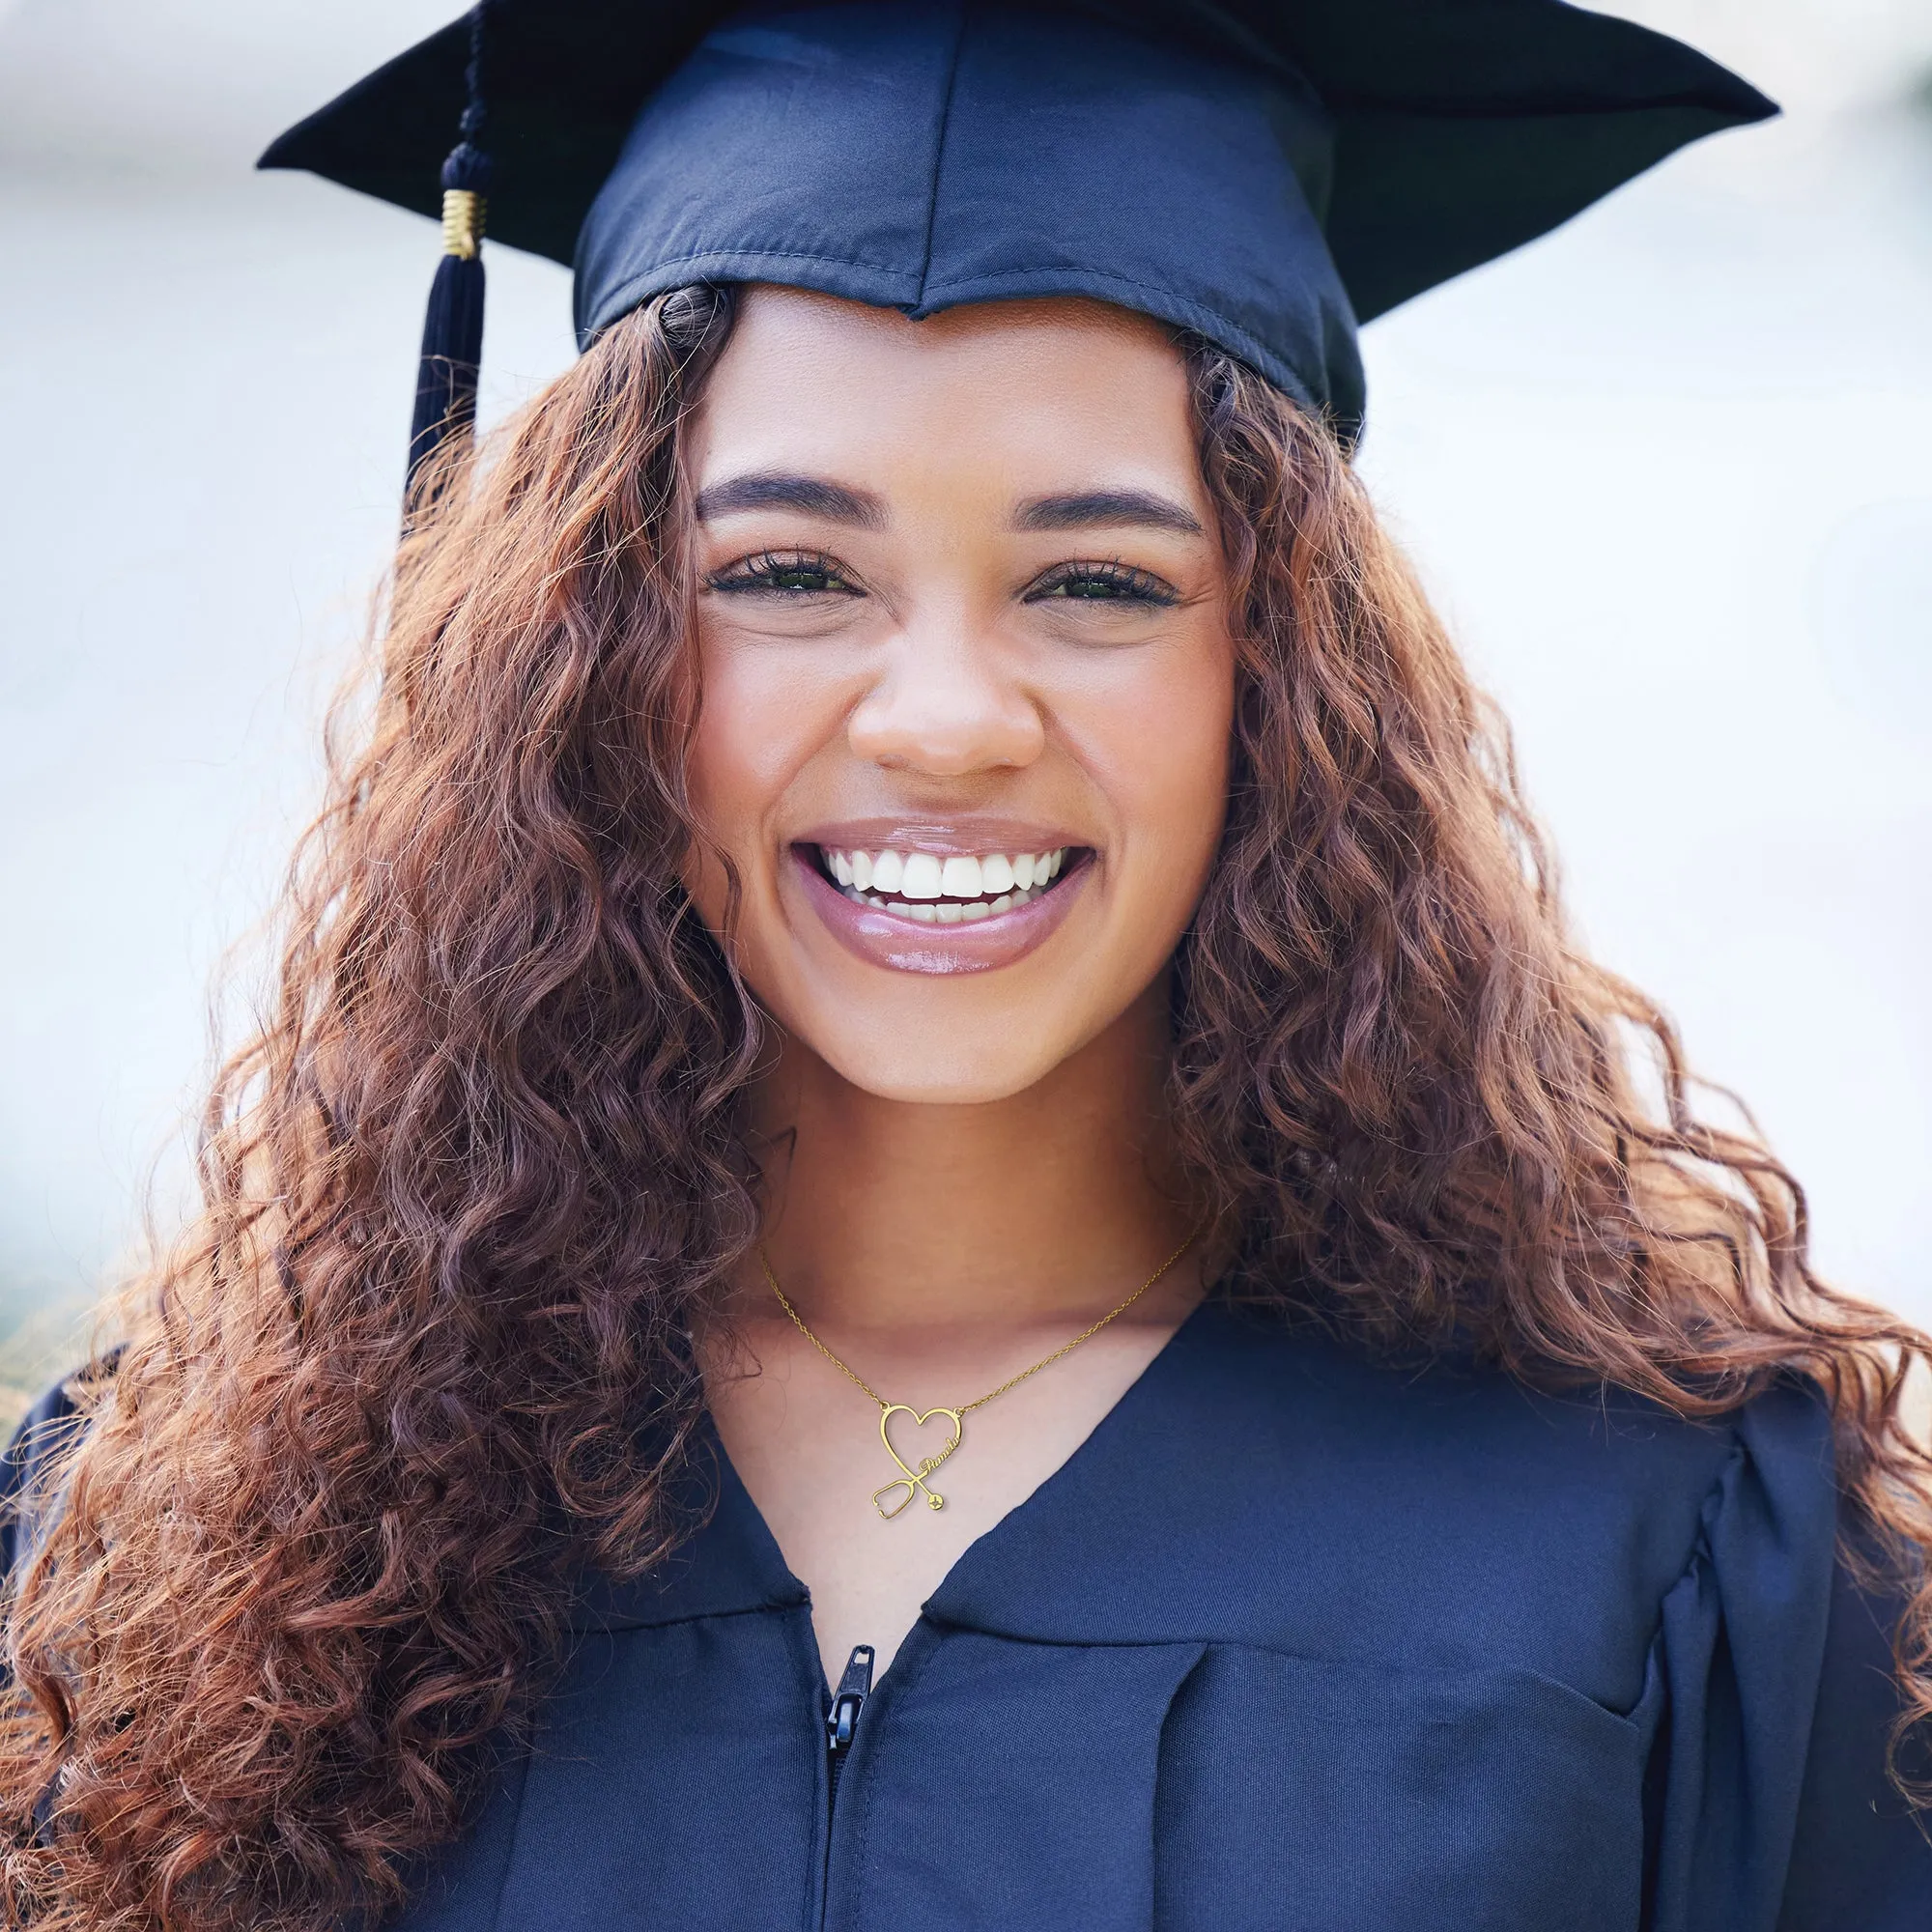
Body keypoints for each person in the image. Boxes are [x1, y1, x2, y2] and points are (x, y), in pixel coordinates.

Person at [3, 3, 1928, 1928]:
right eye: (788, 573)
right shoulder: (191, 1551)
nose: (941, 718)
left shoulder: (1671, 1550)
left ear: (1281, 673)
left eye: (1097, 582)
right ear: (581, 662)